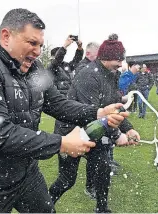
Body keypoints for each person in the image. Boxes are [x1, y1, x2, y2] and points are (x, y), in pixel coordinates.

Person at [0, 9, 128, 213]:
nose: (38, 51)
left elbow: (58, 104)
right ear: (6, 36)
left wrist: (98, 113)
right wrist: (62, 143)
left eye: (40, 44)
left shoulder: (34, 67)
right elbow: (2, 135)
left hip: (24, 171)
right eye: (31, 43)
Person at [49, 34, 140, 213]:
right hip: (71, 132)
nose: (121, 64)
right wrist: (117, 136)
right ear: (105, 57)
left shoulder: (111, 75)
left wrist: (129, 129)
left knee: (104, 169)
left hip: (94, 132)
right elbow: (92, 113)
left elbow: (114, 106)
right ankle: (43, 206)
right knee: (67, 180)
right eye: (118, 59)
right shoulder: (88, 75)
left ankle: (102, 209)